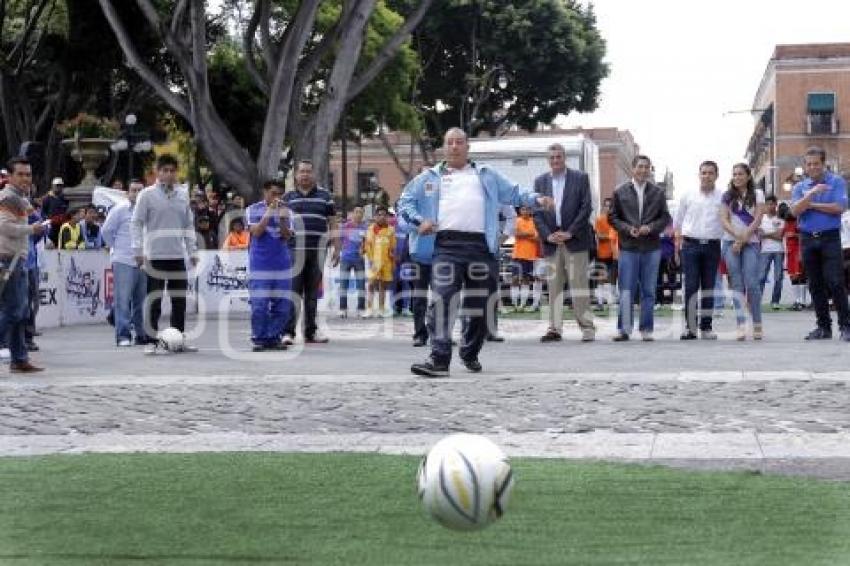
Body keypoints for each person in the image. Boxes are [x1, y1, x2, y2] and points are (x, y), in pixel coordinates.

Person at [398, 127, 552, 377]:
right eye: (450, 142)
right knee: (442, 300)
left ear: (468, 147)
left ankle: (469, 352)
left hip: (481, 247)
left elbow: (514, 192)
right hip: (445, 246)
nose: (455, 146)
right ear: (444, 148)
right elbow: (404, 203)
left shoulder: (486, 175)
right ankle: (439, 359)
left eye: (460, 142)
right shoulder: (428, 178)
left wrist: (537, 199)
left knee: (480, 306)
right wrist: (419, 222)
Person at [131, 153, 198, 352]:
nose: (169, 174)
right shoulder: (147, 195)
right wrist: (138, 250)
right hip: (154, 256)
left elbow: (188, 225)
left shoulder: (182, 195)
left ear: (176, 173)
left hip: (177, 256)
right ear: (157, 172)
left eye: (172, 171)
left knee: (179, 301)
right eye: (164, 170)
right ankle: (150, 341)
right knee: (155, 300)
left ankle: (178, 339)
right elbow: (136, 223)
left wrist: (192, 250)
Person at [533, 143, 596, 343]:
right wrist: (547, 235)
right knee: (554, 288)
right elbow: (536, 212)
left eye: (558, 157)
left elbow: (586, 208)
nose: (555, 161)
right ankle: (554, 329)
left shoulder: (580, 178)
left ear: (564, 158)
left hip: (575, 240)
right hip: (551, 242)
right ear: (548, 160)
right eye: (551, 158)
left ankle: (587, 328)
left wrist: (569, 232)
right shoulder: (540, 182)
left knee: (579, 286)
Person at [609, 155, 672, 342]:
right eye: (640, 167)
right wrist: (628, 229)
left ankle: (646, 329)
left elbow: (665, 218)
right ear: (632, 169)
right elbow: (612, 217)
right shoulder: (620, 191)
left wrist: (651, 228)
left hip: (651, 247)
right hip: (628, 247)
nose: (644, 170)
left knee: (649, 290)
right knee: (626, 289)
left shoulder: (658, 192)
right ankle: (625, 329)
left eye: (647, 167)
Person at [790, 146, 850, 341]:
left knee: (836, 282)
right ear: (805, 166)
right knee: (814, 284)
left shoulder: (837, 182)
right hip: (807, 239)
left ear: (824, 164)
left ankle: (846, 326)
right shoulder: (800, 186)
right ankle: (823, 327)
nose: (813, 167)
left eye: (816, 163)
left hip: (829, 237)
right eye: (809, 164)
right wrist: (811, 194)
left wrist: (811, 204)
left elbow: (839, 207)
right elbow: (795, 212)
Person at [282, 160, 338, 344]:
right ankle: (288, 332)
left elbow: (332, 222)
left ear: (313, 174)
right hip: (294, 250)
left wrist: (336, 247)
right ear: (296, 175)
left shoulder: (325, 196)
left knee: (312, 293)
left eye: (308, 171)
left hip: (318, 250)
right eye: (302, 171)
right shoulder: (288, 197)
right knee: (294, 291)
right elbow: (282, 224)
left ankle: (310, 332)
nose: (305, 175)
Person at [0, 157, 47, 373]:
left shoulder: (20, 198)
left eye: (28, 174)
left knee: (21, 311)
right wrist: (32, 229)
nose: (25, 178)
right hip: (8, 260)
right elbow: (5, 227)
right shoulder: (8, 197)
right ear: (9, 176)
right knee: (14, 310)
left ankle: (19, 359)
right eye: (20, 174)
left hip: (18, 259)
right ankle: (18, 357)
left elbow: (31, 218)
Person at [674, 160, 724, 340]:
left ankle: (707, 327)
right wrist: (676, 247)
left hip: (712, 246)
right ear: (699, 175)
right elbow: (677, 222)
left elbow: (729, 220)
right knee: (691, 286)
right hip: (690, 245)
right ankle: (690, 327)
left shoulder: (723, 197)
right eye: (703, 172)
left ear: (716, 176)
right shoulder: (688, 195)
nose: (707, 176)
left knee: (709, 286)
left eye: (710, 173)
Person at [720, 163, 765, 341]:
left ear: (748, 176)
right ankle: (740, 324)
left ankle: (757, 324)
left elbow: (758, 219)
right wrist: (737, 237)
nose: (737, 177)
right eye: (734, 174)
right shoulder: (727, 196)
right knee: (737, 284)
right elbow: (724, 220)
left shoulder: (758, 193)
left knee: (752, 283)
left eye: (740, 174)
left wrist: (743, 238)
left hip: (751, 243)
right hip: (731, 243)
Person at [245, 180, 292, 351]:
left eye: (280, 194)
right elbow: (256, 232)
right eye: (273, 193)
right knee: (260, 305)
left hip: (281, 265)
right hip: (260, 265)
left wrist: (281, 220)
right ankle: (259, 338)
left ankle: (273, 337)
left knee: (283, 306)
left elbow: (287, 236)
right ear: (265, 192)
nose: (277, 197)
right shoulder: (252, 209)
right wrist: (269, 212)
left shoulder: (287, 210)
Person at [102, 180, 147, 347]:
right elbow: (106, 231)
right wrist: (116, 247)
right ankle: (123, 335)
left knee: (141, 301)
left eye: (140, 190)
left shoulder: (148, 211)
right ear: (128, 193)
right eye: (133, 190)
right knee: (122, 300)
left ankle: (141, 334)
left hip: (143, 261)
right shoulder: (120, 210)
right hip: (123, 260)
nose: (136, 193)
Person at [363, 206, 396, 317]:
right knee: (371, 285)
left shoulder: (391, 230)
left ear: (387, 217)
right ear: (375, 216)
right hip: (374, 262)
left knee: (383, 286)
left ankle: (381, 309)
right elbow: (367, 246)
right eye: (379, 215)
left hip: (386, 262)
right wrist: (371, 259)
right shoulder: (370, 229)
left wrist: (393, 262)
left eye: (384, 215)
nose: (382, 217)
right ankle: (369, 309)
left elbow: (392, 248)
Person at [338, 206, 368, 318]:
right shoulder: (345, 226)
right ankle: (342, 309)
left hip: (359, 259)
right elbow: (340, 241)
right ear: (352, 213)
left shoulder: (365, 228)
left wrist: (363, 249)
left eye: (361, 212)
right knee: (343, 285)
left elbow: (367, 243)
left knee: (361, 286)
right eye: (356, 212)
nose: (358, 214)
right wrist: (339, 252)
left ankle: (361, 309)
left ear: (363, 214)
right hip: (346, 258)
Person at [510, 205, 540, 313]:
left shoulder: (535, 221)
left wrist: (523, 234)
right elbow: (516, 234)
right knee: (514, 279)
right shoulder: (516, 220)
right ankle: (514, 304)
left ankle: (522, 305)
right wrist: (530, 234)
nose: (525, 211)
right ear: (520, 210)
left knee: (526, 280)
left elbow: (538, 237)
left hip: (530, 255)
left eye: (528, 209)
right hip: (517, 255)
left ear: (531, 210)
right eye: (523, 209)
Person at [758, 195, 786, 310]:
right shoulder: (761, 218)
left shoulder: (781, 219)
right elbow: (759, 235)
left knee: (778, 277)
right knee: (761, 277)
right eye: (768, 204)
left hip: (779, 250)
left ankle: (775, 301)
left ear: (776, 204)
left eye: (772, 204)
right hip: (765, 251)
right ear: (765, 205)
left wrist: (766, 234)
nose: (770, 206)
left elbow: (780, 237)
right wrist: (771, 233)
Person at [593, 197, 619, 310]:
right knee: (601, 277)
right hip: (602, 253)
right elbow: (599, 236)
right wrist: (612, 236)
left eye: (610, 206)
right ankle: (600, 301)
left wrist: (609, 237)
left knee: (613, 277)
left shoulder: (616, 221)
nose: (608, 208)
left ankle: (611, 300)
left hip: (615, 253)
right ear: (603, 207)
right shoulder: (599, 220)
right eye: (606, 206)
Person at [782, 205, 808, 310]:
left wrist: (794, 235)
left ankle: (803, 301)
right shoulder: (786, 223)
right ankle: (796, 301)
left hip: (798, 251)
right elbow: (782, 235)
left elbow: (802, 236)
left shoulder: (798, 222)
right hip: (789, 252)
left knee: (801, 276)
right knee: (792, 276)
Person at [40, 177, 69, 246]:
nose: (58, 187)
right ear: (52, 186)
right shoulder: (47, 198)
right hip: (51, 227)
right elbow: (43, 212)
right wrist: (47, 220)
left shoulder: (65, 198)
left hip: (63, 226)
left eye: (60, 185)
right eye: (57, 185)